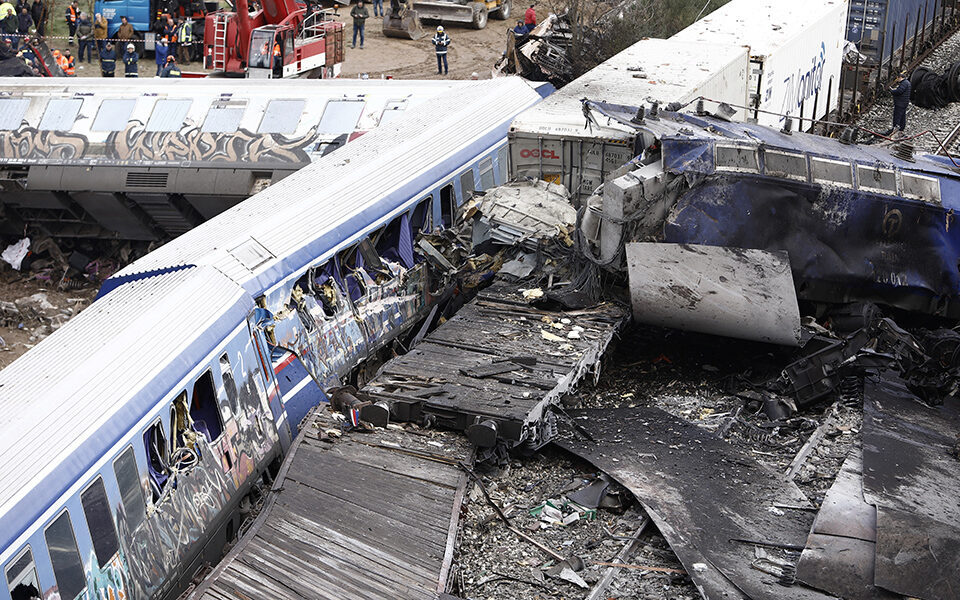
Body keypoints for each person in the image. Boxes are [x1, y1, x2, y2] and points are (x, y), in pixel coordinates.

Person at [885, 71, 911, 137]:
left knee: (897, 116)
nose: (898, 80)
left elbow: (899, 91)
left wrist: (892, 91)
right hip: (904, 102)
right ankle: (901, 129)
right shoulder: (907, 83)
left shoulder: (904, 83)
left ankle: (895, 130)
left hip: (900, 103)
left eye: (898, 79)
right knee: (902, 116)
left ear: (900, 77)